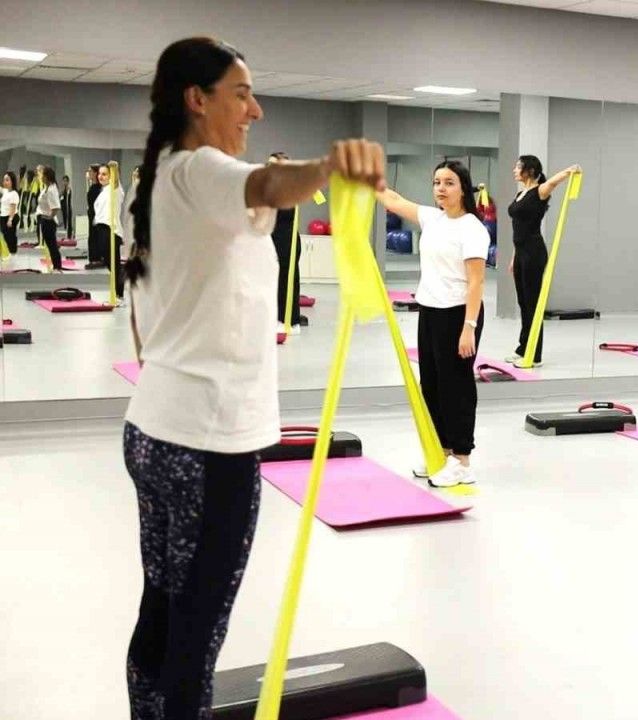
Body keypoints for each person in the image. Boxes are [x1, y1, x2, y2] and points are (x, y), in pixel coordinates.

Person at [121, 36, 385, 718]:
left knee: (165, 607)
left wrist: (301, 176)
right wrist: (331, 165)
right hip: (207, 444)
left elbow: (257, 195)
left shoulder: (161, 180)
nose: (255, 109)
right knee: (195, 632)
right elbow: (267, 185)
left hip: (155, 429)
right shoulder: (200, 169)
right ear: (197, 99)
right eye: (241, 94)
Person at [379, 161, 488, 487]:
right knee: (432, 385)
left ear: (463, 188)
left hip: (458, 313)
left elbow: (476, 282)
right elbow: (394, 200)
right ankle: (441, 452)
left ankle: (462, 460)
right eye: (437, 182)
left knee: (456, 387)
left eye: (449, 182)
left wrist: (469, 326)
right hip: (429, 310)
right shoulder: (432, 218)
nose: (441, 188)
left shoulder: (472, 228)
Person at [504, 155, 579, 367]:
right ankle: (523, 348)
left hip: (534, 253)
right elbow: (518, 229)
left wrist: (570, 170)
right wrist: (514, 257)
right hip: (521, 253)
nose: (514, 170)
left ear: (530, 170)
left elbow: (553, 182)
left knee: (532, 304)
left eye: (518, 167)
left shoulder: (540, 191)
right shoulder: (520, 194)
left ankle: (534, 355)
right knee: (523, 303)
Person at [266, 151, 304, 331]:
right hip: (272, 240)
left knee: (286, 282)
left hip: (286, 242)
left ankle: (289, 320)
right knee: (271, 281)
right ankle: (276, 318)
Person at [93, 162, 125, 287]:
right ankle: (115, 288)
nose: (100, 176)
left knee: (113, 263)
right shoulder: (104, 190)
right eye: (99, 174)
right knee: (108, 261)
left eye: (104, 174)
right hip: (102, 228)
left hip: (111, 229)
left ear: (111, 176)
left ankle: (118, 291)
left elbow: (115, 181)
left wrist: (115, 168)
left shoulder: (115, 188)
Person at [36, 166, 62, 272]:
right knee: (50, 245)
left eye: (42, 175)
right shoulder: (46, 188)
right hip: (44, 218)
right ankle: (55, 265)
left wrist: (49, 217)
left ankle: (57, 266)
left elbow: (56, 207)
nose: (41, 177)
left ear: (47, 176)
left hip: (48, 221)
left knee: (52, 245)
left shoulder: (51, 189)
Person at [86, 164, 103, 265]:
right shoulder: (93, 186)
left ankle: (97, 258)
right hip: (92, 214)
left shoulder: (99, 188)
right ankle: (93, 258)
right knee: (92, 236)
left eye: (90, 171)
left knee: (96, 236)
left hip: (97, 216)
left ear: (96, 173)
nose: (89, 173)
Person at [0, 172, 18, 256]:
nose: (5, 182)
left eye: (7, 180)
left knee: (10, 235)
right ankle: (8, 251)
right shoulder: (6, 191)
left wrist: (10, 219)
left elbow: (13, 208)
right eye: (4, 180)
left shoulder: (14, 194)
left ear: (12, 181)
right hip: (3, 216)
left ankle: (12, 251)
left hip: (10, 216)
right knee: (5, 234)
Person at [60, 175, 75, 240]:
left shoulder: (68, 189)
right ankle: (67, 235)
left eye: (66, 181)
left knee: (68, 222)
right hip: (63, 208)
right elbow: (61, 198)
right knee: (65, 222)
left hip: (67, 208)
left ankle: (69, 236)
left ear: (68, 182)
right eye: (63, 181)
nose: (64, 182)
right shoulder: (62, 190)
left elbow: (68, 198)